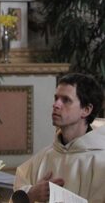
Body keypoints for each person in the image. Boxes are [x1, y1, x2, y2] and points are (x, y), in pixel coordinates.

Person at [14, 73, 105, 202]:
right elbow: (17, 192)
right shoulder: (42, 158)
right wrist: (30, 196)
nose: (56, 105)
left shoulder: (100, 161)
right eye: (56, 98)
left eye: (66, 100)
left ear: (86, 110)